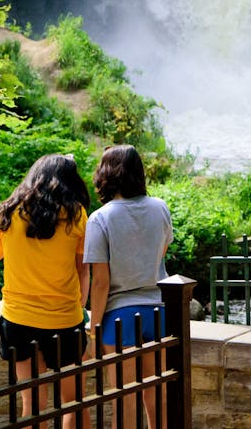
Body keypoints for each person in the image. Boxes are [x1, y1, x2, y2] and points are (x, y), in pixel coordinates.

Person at [0, 154, 90, 428]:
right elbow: (83, 269)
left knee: (31, 404)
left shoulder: (9, 210)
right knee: (72, 401)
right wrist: (81, 308)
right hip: (64, 318)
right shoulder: (76, 215)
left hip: (18, 318)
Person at [85, 145, 173, 429]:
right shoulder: (160, 208)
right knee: (156, 394)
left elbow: (100, 282)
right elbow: (161, 253)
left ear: (106, 175)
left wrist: (94, 327)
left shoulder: (100, 218)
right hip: (158, 310)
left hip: (120, 317)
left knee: (125, 398)